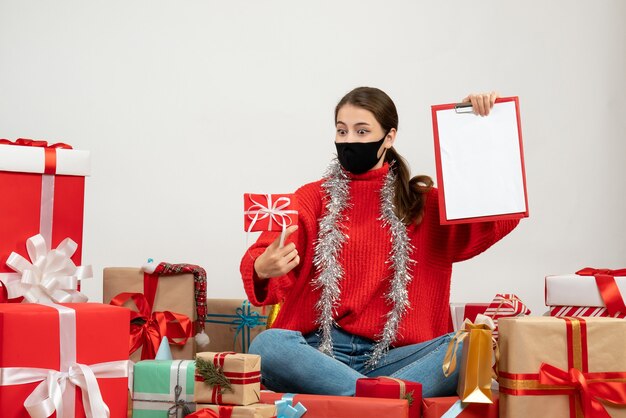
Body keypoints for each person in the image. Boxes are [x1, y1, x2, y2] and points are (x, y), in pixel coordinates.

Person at [240, 87, 518, 397]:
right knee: (268, 345)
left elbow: (495, 213)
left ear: (389, 136)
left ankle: (364, 399)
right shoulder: (313, 197)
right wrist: (262, 267)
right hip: (321, 353)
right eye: (342, 131)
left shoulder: (423, 204)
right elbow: (267, 248)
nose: (349, 141)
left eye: (362, 131)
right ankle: (383, 402)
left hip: (398, 357)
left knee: (467, 347)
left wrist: (475, 128)